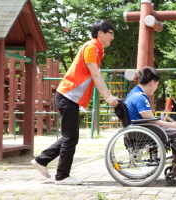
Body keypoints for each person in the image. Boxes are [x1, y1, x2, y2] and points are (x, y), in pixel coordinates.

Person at [31, 20, 118, 185]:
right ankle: (62, 176)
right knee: (70, 138)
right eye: (111, 33)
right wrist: (107, 96)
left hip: (69, 97)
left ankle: (42, 160)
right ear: (101, 33)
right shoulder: (91, 48)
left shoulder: (98, 50)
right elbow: (96, 75)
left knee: (69, 137)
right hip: (67, 96)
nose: (112, 37)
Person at [125, 66, 176, 177]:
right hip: (143, 131)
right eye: (157, 85)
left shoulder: (133, 93)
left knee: (174, 132)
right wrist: (172, 125)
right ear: (152, 82)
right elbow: (151, 120)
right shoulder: (140, 97)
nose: (156, 88)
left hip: (139, 129)